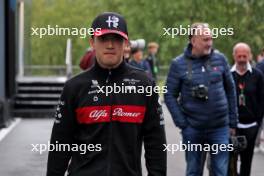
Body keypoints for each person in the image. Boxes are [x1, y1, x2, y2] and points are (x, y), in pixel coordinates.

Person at [46, 12, 166, 176]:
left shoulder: (145, 84)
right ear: (92, 43)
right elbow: (60, 144)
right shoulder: (74, 87)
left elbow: (156, 142)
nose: (110, 45)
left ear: (126, 44)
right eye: (103, 39)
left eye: (116, 39)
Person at [164, 23, 238, 176]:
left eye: (211, 39)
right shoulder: (178, 64)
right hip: (193, 130)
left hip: (220, 129)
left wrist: (232, 122)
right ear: (193, 41)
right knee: (193, 172)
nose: (209, 43)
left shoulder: (221, 59)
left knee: (220, 172)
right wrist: (182, 123)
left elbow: (231, 90)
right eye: (205, 39)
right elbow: (169, 94)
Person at [231, 42, 264, 176]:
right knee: (230, 160)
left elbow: (262, 100)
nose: (242, 59)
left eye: (245, 56)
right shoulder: (228, 74)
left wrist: (257, 122)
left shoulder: (258, 75)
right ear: (234, 56)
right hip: (232, 126)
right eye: (239, 56)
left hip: (251, 125)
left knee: (247, 161)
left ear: (250, 56)